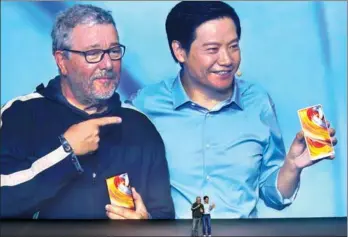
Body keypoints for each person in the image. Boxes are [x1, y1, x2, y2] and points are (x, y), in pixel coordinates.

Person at [128, 1, 338, 218]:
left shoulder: (258, 102)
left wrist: (292, 166)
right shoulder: (145, 104)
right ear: (180, 51)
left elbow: (273, 196)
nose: (227, 60)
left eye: (233, 46)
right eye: (212, 49)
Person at [0, 4, 175, 219]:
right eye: (93, 53)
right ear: (62, 61)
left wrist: (145, 224)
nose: (108, 64)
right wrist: (66, 152)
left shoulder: (140, 126)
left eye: (113, 51)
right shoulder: (21, 114)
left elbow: (164, 215)